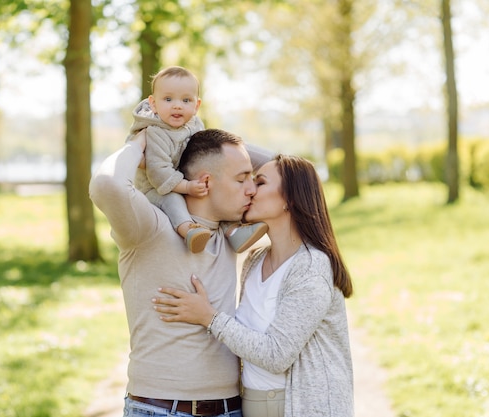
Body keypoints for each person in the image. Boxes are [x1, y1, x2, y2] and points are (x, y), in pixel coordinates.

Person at [152, 154, 355, 417]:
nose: (249, 190)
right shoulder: (255, 260)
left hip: (299, 408)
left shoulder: (311, 267)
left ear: (289, 199)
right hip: (252, 405)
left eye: (259, 183)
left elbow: (276, 355)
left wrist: (209, 318)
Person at [89, 128, 272, 417]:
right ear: (206, 181)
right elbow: (106, 184)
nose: (252, 189)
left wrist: (188, 134)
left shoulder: (228, 233)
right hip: (160, 409)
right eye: (242, 179)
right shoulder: (151, 227)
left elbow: (286, 167)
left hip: (232, 408)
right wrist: (140, 144)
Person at [128, 66, 267, 253]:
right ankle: (188, 230)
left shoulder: (194, 125)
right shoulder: (155, 133)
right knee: (173, 199)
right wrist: (187, 187)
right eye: (168, 99)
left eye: (186, 100)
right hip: (156, 188)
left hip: (183, 179)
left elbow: (206, 150)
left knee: (219, 197)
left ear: (196, 105)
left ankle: (234, 231)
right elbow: (158, 171)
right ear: (153, 104)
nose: (177, 105)